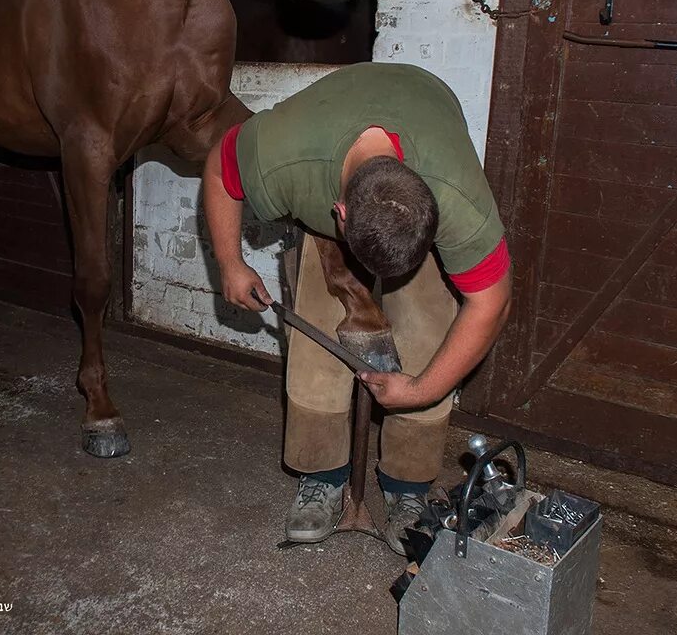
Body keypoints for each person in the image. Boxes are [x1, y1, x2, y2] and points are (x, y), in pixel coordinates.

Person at [201, 62, 511, 554]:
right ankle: (322, 476)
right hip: (325, 156)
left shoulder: (455, 199)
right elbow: (220, 165)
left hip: (424, 111)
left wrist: (420, 389)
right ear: (340, 213)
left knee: (429, 328)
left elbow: (490, 304)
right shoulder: (285, 156)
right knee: (315, 340)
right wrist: (229, 262)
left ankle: (408, 488)